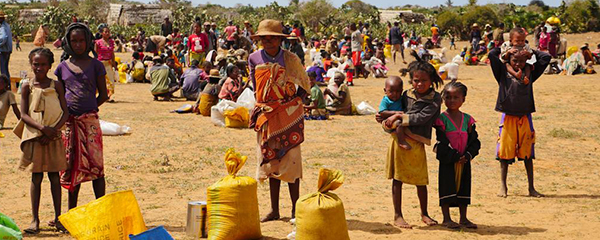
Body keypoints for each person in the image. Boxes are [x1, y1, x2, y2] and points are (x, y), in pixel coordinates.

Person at [248, 19, 310, 222]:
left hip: (289, 116)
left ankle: (295, 210)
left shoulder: (291, 59)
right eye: (264, 38)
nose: (268, 41)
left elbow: (304, 86)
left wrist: (291, 104)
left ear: (279, 39)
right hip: (266, 117)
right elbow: (256, 86)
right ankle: (274, 210)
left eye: (272, 38)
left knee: (291, 163)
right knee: (270, 163)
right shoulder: (254, 58)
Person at [379, 52, 442, 229]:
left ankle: (424, 213)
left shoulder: (435, 99)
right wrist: (386, 120)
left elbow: (422, 117)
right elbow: (389, 111)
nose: (419, 84)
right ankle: (398, 215)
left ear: (432, 81)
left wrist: (398, 116)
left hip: (417, 142)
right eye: (416, 80)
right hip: (398, 141)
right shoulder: (405, 95)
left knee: (421, 180)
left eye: (423, 80)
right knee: (397, 179)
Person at [55, 23, 108, 210]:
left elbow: (103, 94)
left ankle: (101, 208)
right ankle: (72, 211)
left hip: (90, 123)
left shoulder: (96, 65)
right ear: (68, 43)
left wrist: (89, 110)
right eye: (74, 41)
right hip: (69, 124)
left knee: (96, 167)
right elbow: (59, 96)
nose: (78, 45)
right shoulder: (62, 68)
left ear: (88, 42)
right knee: (71, 167)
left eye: (81, 41)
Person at [489, 41, 551, 198]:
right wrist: (507, 50)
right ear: (508, 59)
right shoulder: (502, 73)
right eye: (514, 60)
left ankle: (531, 188)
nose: (518, 64)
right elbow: (491, 54)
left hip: (525, 116)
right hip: (508, 117)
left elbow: (546, 57)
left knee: (527, 153)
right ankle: (503, 186)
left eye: (521, 61)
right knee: (504, 153)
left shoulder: (530, 74)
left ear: (526, 61)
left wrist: (530, 51)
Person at [15, 48, 68, 234]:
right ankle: (34, 220)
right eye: (36, 64)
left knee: (55, 177)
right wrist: (42, 130)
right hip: (36, 138)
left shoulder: (56, 85)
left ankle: (58, 218)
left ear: (50, 65)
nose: (39, 67)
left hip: (53, 138)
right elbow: (23, 114)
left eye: (43, 64)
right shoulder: (27, 86)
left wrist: (53, 131)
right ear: (31, 64)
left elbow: (65, 111)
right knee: (36, 177)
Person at [433, 81, 480, 229]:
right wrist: (453, 156)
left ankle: (463, 218)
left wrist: (467, 155)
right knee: (446, 186)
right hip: (448, 160)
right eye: (448, 97)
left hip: (464, 160)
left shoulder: (468, 120)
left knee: (464, 187)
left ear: (463, 99)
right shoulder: (441, 119)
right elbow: (442, 141)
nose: (451, 100)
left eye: (456, 97)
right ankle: (446, 218)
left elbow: (474, 141)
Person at [376, 76, 410, 149]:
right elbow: (382, 112)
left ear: (401, 91)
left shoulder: (402, 99)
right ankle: (401, 141)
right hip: (387, 121)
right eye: (391, 91)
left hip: (398, 119)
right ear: (385, 90)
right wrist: (396, 113)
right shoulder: (386, 100)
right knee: (398, 123)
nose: (395, 94)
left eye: (398, 91)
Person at [95, 24, 117, 102]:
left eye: (108, 32)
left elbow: (112, 53)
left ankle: (107, 96)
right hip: (101, 63)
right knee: (101, 80)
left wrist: (114, 63)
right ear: (102, 33)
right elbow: (96, 54)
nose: (107, 33)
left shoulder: (111, 42)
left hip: (108, 64)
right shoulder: (98, 43)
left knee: (110, 81)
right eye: (106, 32)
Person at [0, 11, 13, 86]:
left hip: (3, 51)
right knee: (5, 70)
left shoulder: (2, 27)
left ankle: (4, 86)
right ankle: (8, 85)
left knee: (3, 71)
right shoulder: (7, 25)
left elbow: (3, 37)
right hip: (8, 50)